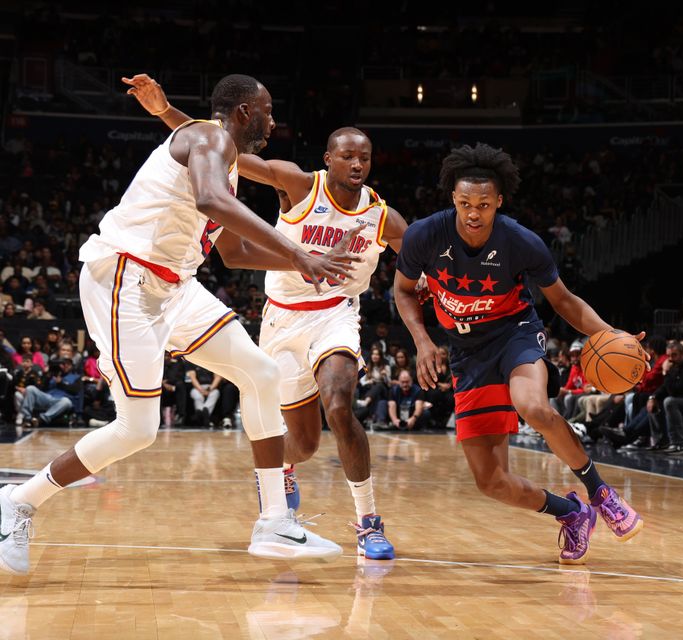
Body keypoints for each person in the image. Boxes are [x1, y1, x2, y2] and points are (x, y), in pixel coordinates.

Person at [0, 74, 359, 576]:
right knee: (137, 429)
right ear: (241, 114)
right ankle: (18, 500)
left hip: (174, 286)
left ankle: (275, 522)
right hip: (125, 277)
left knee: (260, 371)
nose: (273, 120)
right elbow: (213, 203)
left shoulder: (223, 161)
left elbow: (232, 254)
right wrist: (298, 251)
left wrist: (303, 262)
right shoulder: (208, 137)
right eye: (267, 109)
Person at [125, 73, 407, 559]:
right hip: (281, 317)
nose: (357, 163)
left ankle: (368, 522)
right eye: (347, 155)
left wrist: (439, 283)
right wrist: (167, 113)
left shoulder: (381, 216)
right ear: (328, 160)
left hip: (336, 313)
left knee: (339, 405)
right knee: (302, 443)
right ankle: (282, 473)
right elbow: (227, 153)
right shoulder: (298, 183)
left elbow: (425, 259)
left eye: (364, 156)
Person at [393, 143, 644, 564]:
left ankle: (601, 493)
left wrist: (612, 333)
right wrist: (422, 341)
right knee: (491, 482)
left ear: (499, 203)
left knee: (533, 406)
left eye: (484, 205)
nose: (474, 213)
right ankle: (572, 513)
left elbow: (564, 302)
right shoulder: (425, 235)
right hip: (467, 353)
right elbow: (402, 291)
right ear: (452, 199)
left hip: (515, 334)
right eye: (465, 203)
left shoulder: (521, 241)